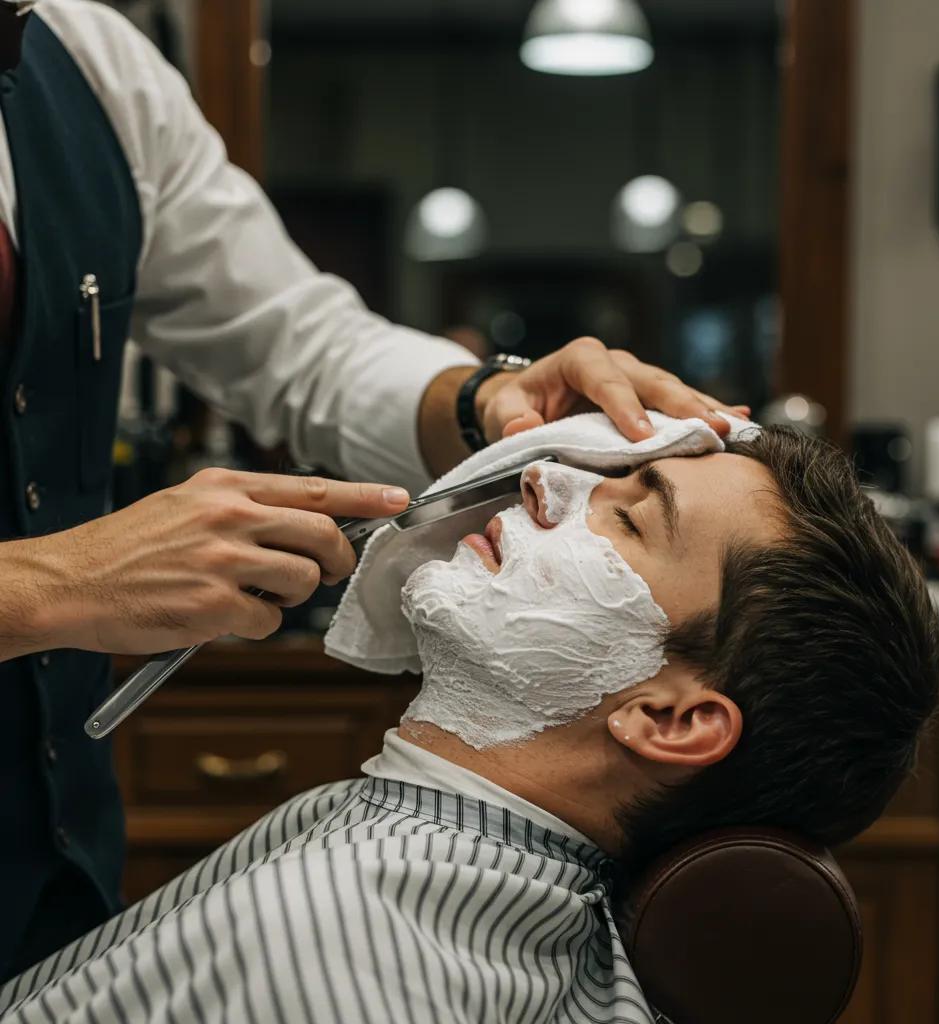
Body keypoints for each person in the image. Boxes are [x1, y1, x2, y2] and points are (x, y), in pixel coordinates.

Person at [0, 0, 751, 980]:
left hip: (55, 859)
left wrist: (485, 399)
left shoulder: (88, 65)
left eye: (628, 505)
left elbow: (300, 345)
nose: (541, 487)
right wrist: (47, 584)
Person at [0, 427, 939, 1023]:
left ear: (672, 718)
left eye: (630, 515)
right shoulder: (434, 920)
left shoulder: (347, 948)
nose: (541, 480)